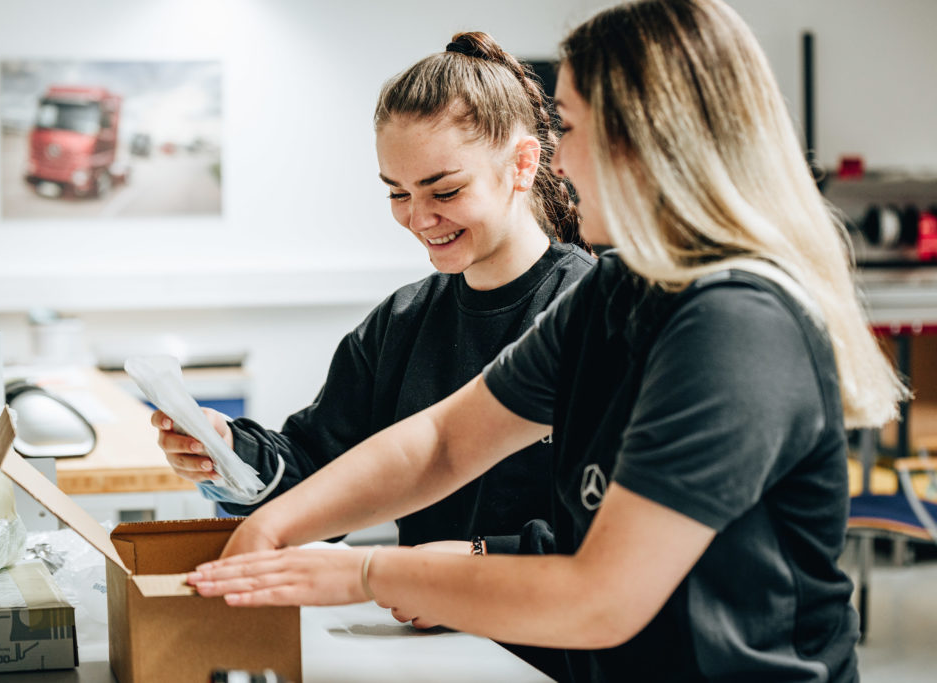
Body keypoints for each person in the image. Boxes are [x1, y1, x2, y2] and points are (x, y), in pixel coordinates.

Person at [186, 1, 909, 681]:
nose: (560, 164)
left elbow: (601, 596)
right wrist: (275, 523)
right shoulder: (617, 290)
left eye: (571, 127)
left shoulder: (736, 326)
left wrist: (367, 573)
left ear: (649, 141)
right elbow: (444, 442)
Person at [154, 33, 593, 555]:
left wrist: (469, 560)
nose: (419, 218)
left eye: (445, 190)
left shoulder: (591, 310)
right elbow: (322, 472)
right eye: (397, 192)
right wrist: (232, 453)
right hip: (417, 607)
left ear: (522, 164)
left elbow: (611, 541)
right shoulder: (404, 321)